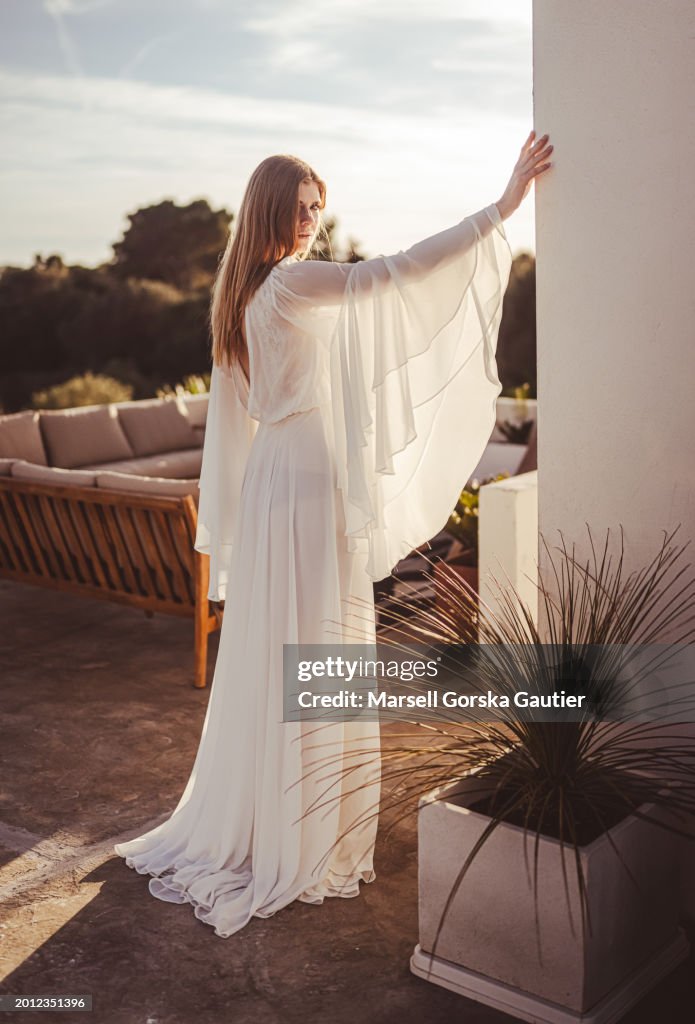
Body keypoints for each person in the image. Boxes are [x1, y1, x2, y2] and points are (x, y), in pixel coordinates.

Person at [114, 131, 554, 938]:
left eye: (321, 207)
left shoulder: (242, 296)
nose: (313, 219)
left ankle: (279, 813)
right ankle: (297, 829)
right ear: (272, 210)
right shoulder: (286, 284)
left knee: (291, 645)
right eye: (302, 207)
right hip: (307, 480)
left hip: (281, 477)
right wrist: (500, 208)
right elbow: (397, 274)